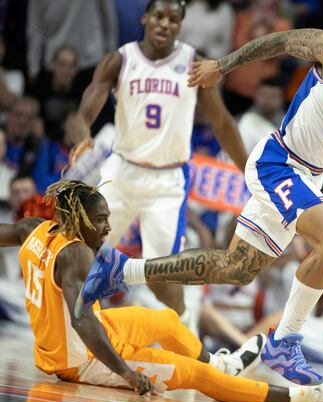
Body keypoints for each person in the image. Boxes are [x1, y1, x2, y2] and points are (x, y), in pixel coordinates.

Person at [83, 28, 323, 385]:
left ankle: (123, 269)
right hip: (279, 162)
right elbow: (281, 42)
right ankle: (284, 343)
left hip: (309, 176)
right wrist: (222, 65)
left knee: (235, 269)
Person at [0, 179, 323, 402]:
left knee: (166, 320)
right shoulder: (75, 254)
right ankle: (314, 398)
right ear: (77, 218)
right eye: (99, 219)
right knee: (193, 376)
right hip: (78, 358)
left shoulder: (33, 229)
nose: (108, 226)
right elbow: (81, 321)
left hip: (63, 340)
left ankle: (224, 364)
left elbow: (7, 231)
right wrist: (127, 373)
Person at [67, 0, 248, 321]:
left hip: (167, 181)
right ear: (145, 18)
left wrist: (248, 169)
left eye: (173, 19)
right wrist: (84, 136)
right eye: (159, 17)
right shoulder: (119, 60)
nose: (165, 24)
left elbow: (222, 123)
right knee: (82, 251)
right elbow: (85, 112)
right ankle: (70, 323)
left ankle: (184, 326)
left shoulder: (193, 64)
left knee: (160, 276)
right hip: (121, 172)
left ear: (180, 25)